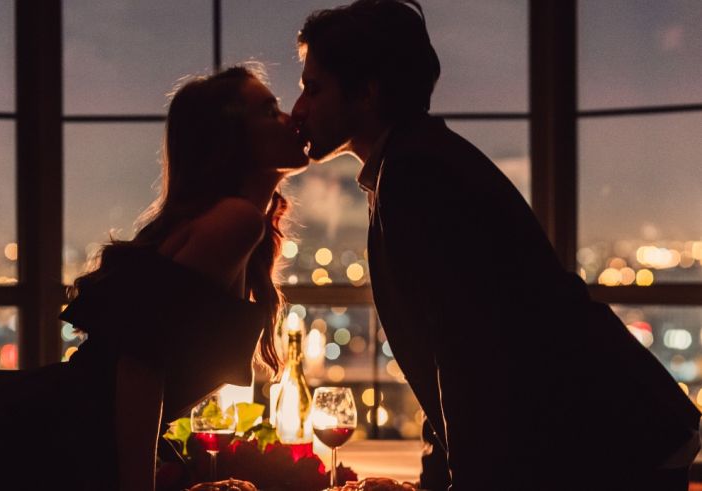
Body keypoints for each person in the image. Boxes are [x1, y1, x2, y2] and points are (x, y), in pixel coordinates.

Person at [291, 1, 701, 489]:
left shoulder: (416, 174)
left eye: (313, 89)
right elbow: (450, 355)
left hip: (603, 443)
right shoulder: (415, 159)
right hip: (611, 431)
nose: (298, 109)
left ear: (367, 93)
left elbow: (468, 355)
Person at [0, 65, 308, 490]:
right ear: (230, 140)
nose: (289, 119)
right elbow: (141, 362)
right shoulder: (236, 221)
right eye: (269, 110)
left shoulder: (229, 222)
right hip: (39, 452)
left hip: (43, 440)